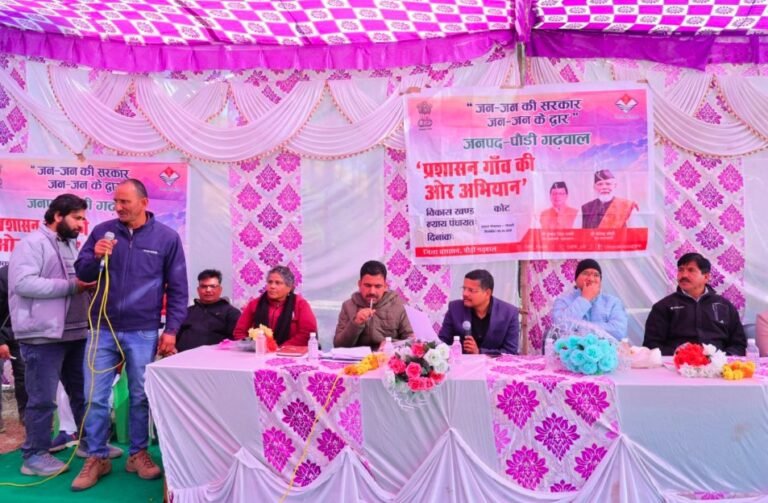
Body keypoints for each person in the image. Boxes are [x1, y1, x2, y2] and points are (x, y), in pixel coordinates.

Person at [73, 179, 188, 491]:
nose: (118, 207)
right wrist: (94, 256)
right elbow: (82, 272)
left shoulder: (167, 238)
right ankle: (97, 456)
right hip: (101, 327)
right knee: (95, 396)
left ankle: (137, 454)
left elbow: (178, 288)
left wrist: (172, 330)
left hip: (143, 330)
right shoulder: (103, 232)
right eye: (116, 201)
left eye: (124, 201)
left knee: (139, 395)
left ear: (144, 202)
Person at [7, 194, 95, 476]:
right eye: (77, 218)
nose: (81, 224)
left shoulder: (72, 245)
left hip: (74, 332)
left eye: (82, 218)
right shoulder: (32, 244)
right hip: (43, 337)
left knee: (81, 394)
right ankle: (34, 455)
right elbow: (23, 284)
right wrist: (72, 286)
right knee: (43, 399)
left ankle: (90, 444)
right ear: (58, 215)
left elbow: (76, 283)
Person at [643, 252, 746, 356]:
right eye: (681, 270)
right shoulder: (663, 307)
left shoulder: (725, 306)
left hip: (719, 363)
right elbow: (651, 345)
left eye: (691, 270)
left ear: (706, 277)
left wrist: (722, 358)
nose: (684, 275)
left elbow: (739, 344)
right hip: (676, 362)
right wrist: (677, 354)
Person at [334, 260, 413, 349]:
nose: (372, 291)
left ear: (385, 286)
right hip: (358, 358)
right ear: (359, 284)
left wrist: (391, 343)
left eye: (378, 286)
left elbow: (411, 341)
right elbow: (338, 345)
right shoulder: (348, 306)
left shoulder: (399, 306)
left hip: (387, 357)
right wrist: (356, 322)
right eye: (367, 285)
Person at [438, 269, 519, 355]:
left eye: (471, 290)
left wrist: (479, 352)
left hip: (493, 363)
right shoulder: (455, 308)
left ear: (487, 293)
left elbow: (510, 352)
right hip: (462, 362)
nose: (465, 294)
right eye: (464, 288)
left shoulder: (509, 313)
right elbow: (442, 343)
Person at [233, 265, 316, 346]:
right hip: (258, 351)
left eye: (278, 283)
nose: (272, 286)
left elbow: (308, 333)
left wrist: (280, 349)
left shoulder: (300, 304)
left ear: (289, 287)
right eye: (270, 282)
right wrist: (250, 346)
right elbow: (239, 332)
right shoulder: (255, 304)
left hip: (290, 352)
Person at [551, 259, 628, 340]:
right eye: (585, 273)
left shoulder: (613, 302)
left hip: (605, 348)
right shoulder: (563, 301)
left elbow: (619, 331)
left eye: (596, 275)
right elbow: (560, 327)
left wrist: (578, 328)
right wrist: (585, 298)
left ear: (600, 281)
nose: (591, 279)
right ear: (576, 279)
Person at [176, 270, 241, 352]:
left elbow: (237, 341)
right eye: (204, 286)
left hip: (215, 357)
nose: (208, 290)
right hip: (182, 356)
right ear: (198, 290)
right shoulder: (187, 312)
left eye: (213, 286)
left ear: (220, 289)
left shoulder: (231, 313)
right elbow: (173, 336)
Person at [1, 264, 27, 433]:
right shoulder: (3, 276)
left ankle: (26, 415)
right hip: (2, 329)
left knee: (24, 374)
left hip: (20, 331)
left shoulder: (34, 275)